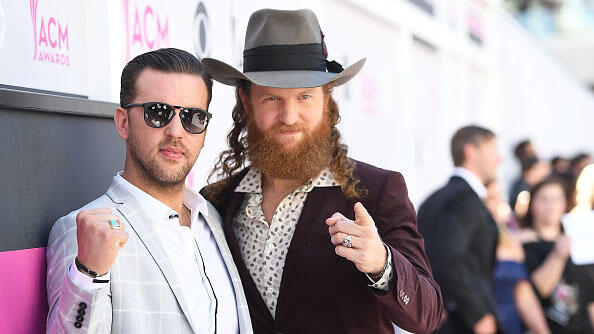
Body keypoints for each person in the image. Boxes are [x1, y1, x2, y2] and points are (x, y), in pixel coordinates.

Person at [200, 8, 445, 334]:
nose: (289, 116)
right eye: (272, 98)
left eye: (304, 97)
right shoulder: (216, 202)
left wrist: (380, 262)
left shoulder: (377, 190)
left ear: (327, 99)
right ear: (246, 101)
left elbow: (428, 314)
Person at [46, 49, 252, 333]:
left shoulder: (213, 219)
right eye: (158, 113)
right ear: (123, 122)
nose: (176, 131)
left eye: (193, 117)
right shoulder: (81, 230)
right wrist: (87, 275)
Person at [418, 125, 502, 334]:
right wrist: (478, 314)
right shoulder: (464, 200)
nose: (499, 159)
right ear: (470, 151)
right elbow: (449, 259)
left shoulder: (434, 199)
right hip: (461, 322)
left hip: (439, 317)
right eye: (492, 149)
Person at [522, 177, 594, 333]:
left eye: (556, 199)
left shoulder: (579, 240)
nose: (551, 206)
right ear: (532, 204)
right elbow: (537, 290)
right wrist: (558, 255)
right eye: (544, 199)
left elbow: (590, 297)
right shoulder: (524, 245)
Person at [485, 181, 551, 334]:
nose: (496, 206)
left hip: (510, 325)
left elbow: (524, 296)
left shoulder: (510, 241)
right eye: (490, 199)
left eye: (498, 199)